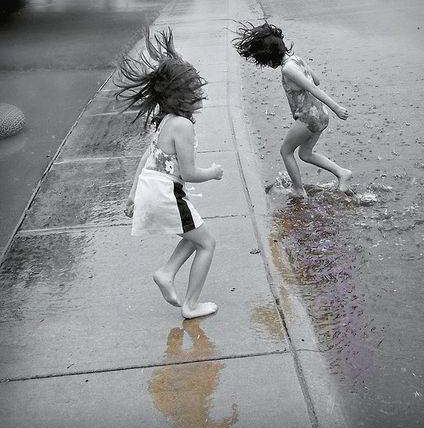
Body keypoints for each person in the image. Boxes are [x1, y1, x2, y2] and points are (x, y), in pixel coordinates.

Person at [115, 28, 223, 319]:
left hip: (151, 189)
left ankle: (166, 272)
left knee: (194, 234)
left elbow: (145, 159)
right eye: (195, 89)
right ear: (183, 95)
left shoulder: (165, 122)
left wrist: (131, 196)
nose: (200, 92)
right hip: (166, 193)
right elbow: (188, 173)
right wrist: (212, 172)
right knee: (207, 243)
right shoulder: (183, 126)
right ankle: (190, 305)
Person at [233, 21, 352, 197]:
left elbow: (313, 88)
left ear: (270, 56)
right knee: (305, 153)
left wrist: (336, 107)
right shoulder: (296, 59)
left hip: (307, 117)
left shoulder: (287, 69)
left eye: (265, 62)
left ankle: (298, 190)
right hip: (320, 115)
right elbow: (316, 80)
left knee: (286, 151)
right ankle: (342, 173)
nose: (266, 65)